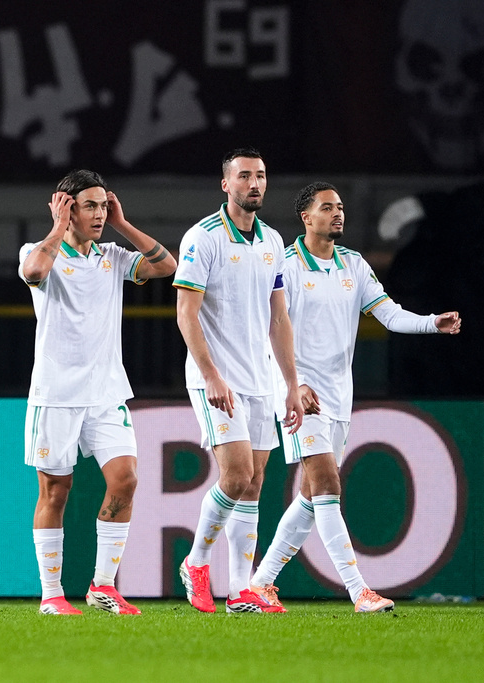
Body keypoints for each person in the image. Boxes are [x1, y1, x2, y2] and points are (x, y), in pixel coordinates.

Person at [249, 181, 461, 613]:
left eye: (341, 207)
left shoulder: (353, 264)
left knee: (311, 497)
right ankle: (358, 589)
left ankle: (261, 582)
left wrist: (430, 323)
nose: (338, 213)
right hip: (297, 393)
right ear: (306, 217)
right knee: (327, 485)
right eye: (328, 207)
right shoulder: (285, 266)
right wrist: (292, 384)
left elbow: (387, 313)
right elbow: (264, 333)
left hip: (338, 397)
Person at [19, 169, 177, 615]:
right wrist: (55, 228)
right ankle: (51, 596)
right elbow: (32, 273)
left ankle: (103, 586)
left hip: (107, 393)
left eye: (103, 205)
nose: (99, 214)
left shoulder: (113, 255)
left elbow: (168, 266)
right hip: (56, 395)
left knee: (125, 480)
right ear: (66, 208)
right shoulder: (38, 252)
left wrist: (124, 225)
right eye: (89, 205)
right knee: (55, 492)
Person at [174, 148, 304, 614]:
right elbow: (185, 313)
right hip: (216, 379)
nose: (255, 183)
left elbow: (279, 318)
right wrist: (210, 374)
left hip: (260, 380)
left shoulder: (272, 241)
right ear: (225, 184)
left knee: (256, 482)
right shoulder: (202, 238)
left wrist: (290, 383)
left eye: (261, 176)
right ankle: (196, 561)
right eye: (244, 176)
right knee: (237, 474)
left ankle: (240, 590)